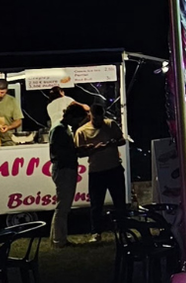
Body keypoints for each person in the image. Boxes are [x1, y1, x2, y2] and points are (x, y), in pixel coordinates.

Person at [77, 96, 128, 238]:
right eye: (95, 119)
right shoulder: (82, 131)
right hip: (96, 171)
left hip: (114, 169)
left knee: (120, 202)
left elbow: (122, 140)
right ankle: (96, 232)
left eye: (101, 118)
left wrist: (113, 143)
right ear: (90, 116)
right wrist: (95, 149)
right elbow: (79, 153)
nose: (99, 122)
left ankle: (123, 230)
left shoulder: (111, 125)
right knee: (96, 204)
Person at [49, 101, 83, 247]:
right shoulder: (60, 130)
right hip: (64, 169)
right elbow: (61, 152)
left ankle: (57, 237)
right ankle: (59, 239)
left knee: (62, 205)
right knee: (63, 206)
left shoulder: (61, 127)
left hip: (64, 168)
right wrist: (78, 151)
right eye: (77, 119)